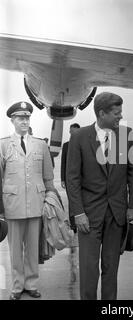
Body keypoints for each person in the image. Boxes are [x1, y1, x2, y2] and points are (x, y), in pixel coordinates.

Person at [66, 92, 133, 300]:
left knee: (111, 268)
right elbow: (72, 178)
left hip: (117, 214)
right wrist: (78, 212)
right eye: (116, 113)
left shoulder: (127, 135)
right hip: (88, 216)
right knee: (89, 270)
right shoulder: (79, 137)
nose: (120, 116)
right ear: (101, 113)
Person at [0, 101, 55, 300]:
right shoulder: (3, 144)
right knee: (15, 250)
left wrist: (51, 198)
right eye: (20, 118)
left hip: (36, 203)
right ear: (12, 120)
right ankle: (16, 286)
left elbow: (48, 175)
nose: (24, 121)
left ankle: (31, 284)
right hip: (12, 204)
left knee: (32, 248)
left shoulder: (40, 144)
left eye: (27, 118)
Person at [60, 123, 80, 231]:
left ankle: (81, 221)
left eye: (76, 131)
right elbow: (63, 162)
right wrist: (62, 178)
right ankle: (73, 225)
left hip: (82, 180)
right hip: (69, 179)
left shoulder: (83, 144)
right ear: (69, 132)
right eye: (72, 131)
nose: (73, 133)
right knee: (72, 201)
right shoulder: (66, 145)